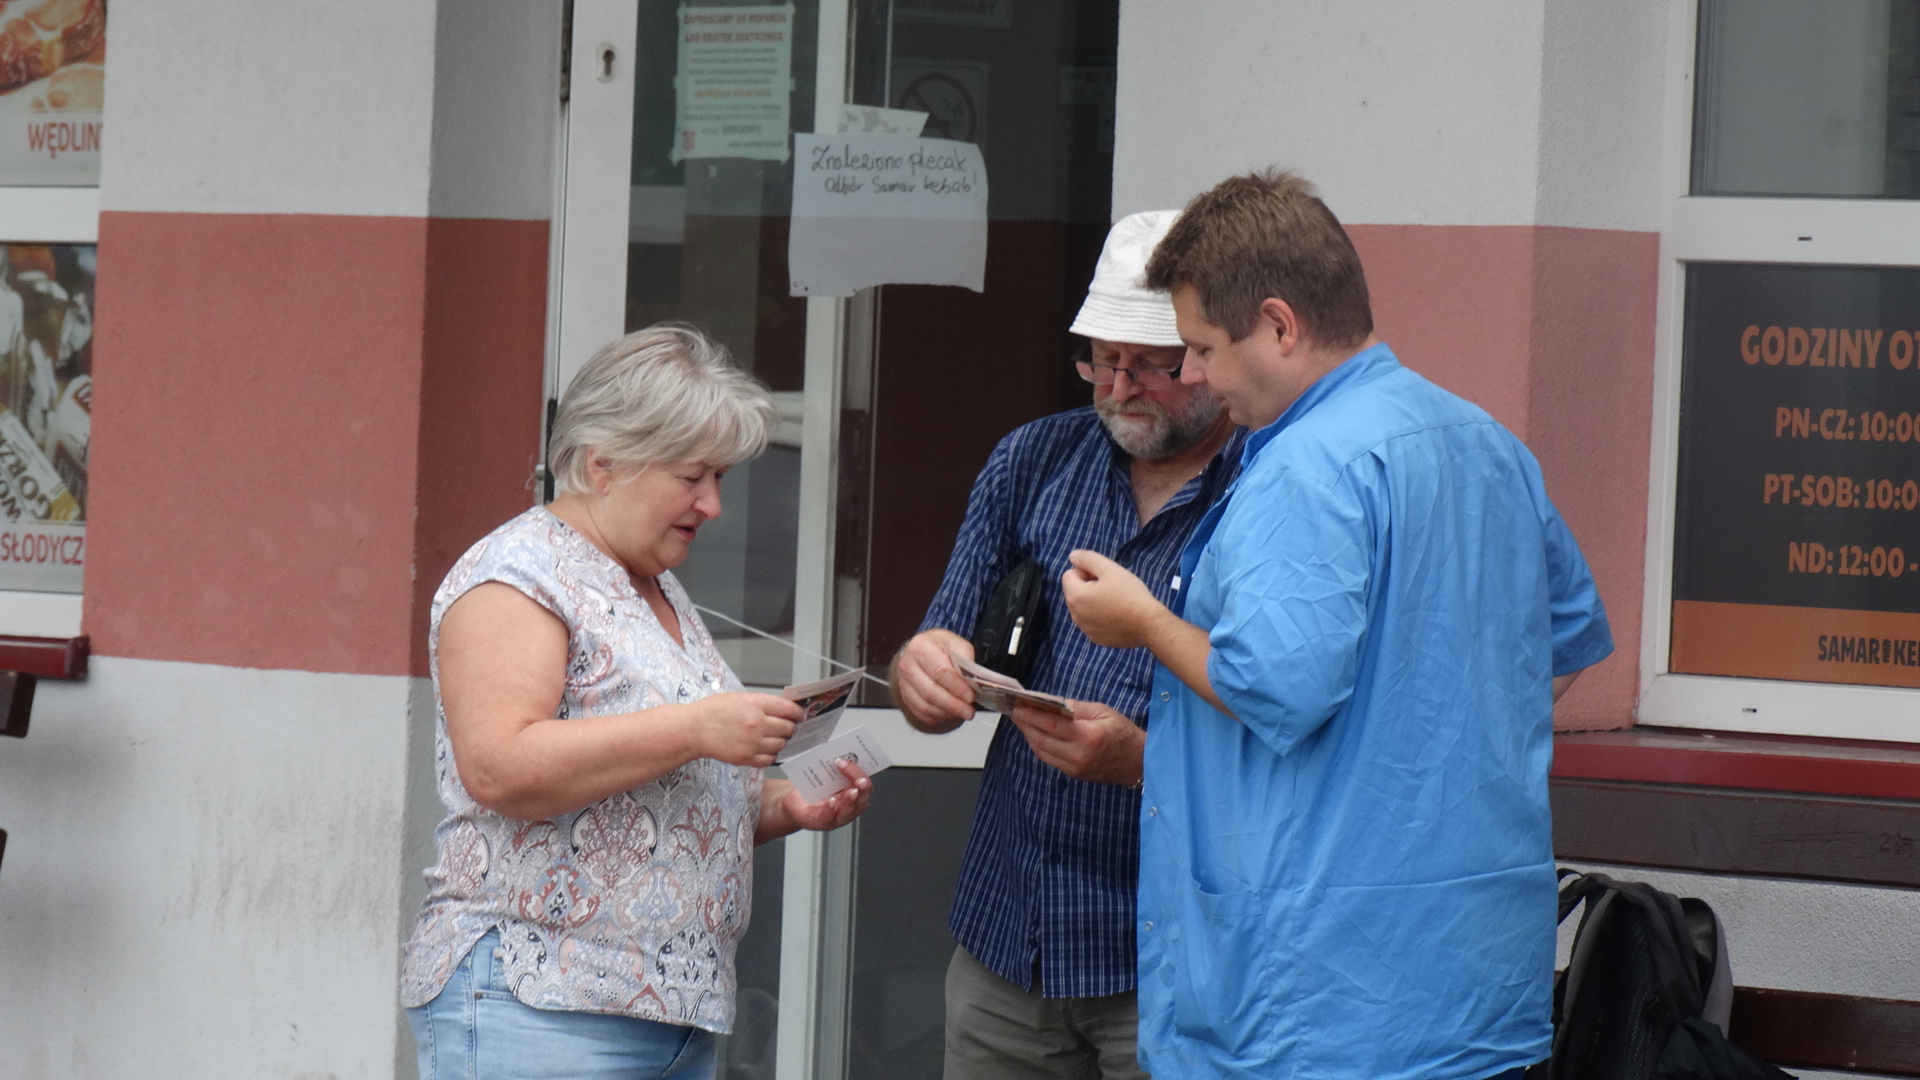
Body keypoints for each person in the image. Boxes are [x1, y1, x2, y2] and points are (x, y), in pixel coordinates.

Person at [1057, 171, 1614, 1079]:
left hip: (1313, 996)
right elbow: (1565, 646)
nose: (1192, 374)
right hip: (1471, 982)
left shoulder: (1302, 469)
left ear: (1279, 325)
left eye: (1202, 347)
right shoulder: (1485, 441)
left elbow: (1270, 687)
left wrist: (1145, 622)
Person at [399, 324, 873, 1080]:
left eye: (720, 478)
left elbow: (652, 804)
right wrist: (696, 727)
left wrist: (785, 805)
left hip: (660, 1014)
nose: (713, 505)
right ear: (603, 464)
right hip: (541, 1000)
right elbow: (498, 766)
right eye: (693, 477)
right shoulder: (518, 574)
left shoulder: (651, 583)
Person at [888, 210, 1243, 1080]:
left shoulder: (1263, 487)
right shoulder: (1035, 459)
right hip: (1012, 930)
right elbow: (944, 643)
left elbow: (1289, 725)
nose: (1119, 387)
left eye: (1150, 365)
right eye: (1100, 359)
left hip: (1173, 951)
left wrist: (1145, 762)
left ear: (1207, 357)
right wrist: (921, 675)